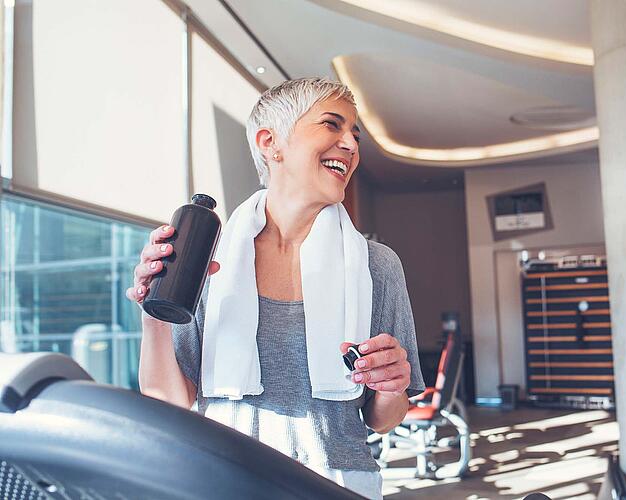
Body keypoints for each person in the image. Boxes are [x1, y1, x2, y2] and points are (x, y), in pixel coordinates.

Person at [126, 77, 425, 499]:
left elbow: (384, 419)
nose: (351, 145)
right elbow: (170, 401)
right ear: (271, 143)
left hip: (337, 484)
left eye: (355, 135)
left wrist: (393, 384)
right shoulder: (204, 258)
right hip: (226, 480)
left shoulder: (377, 266)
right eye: (332, 125)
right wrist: (153, 315)